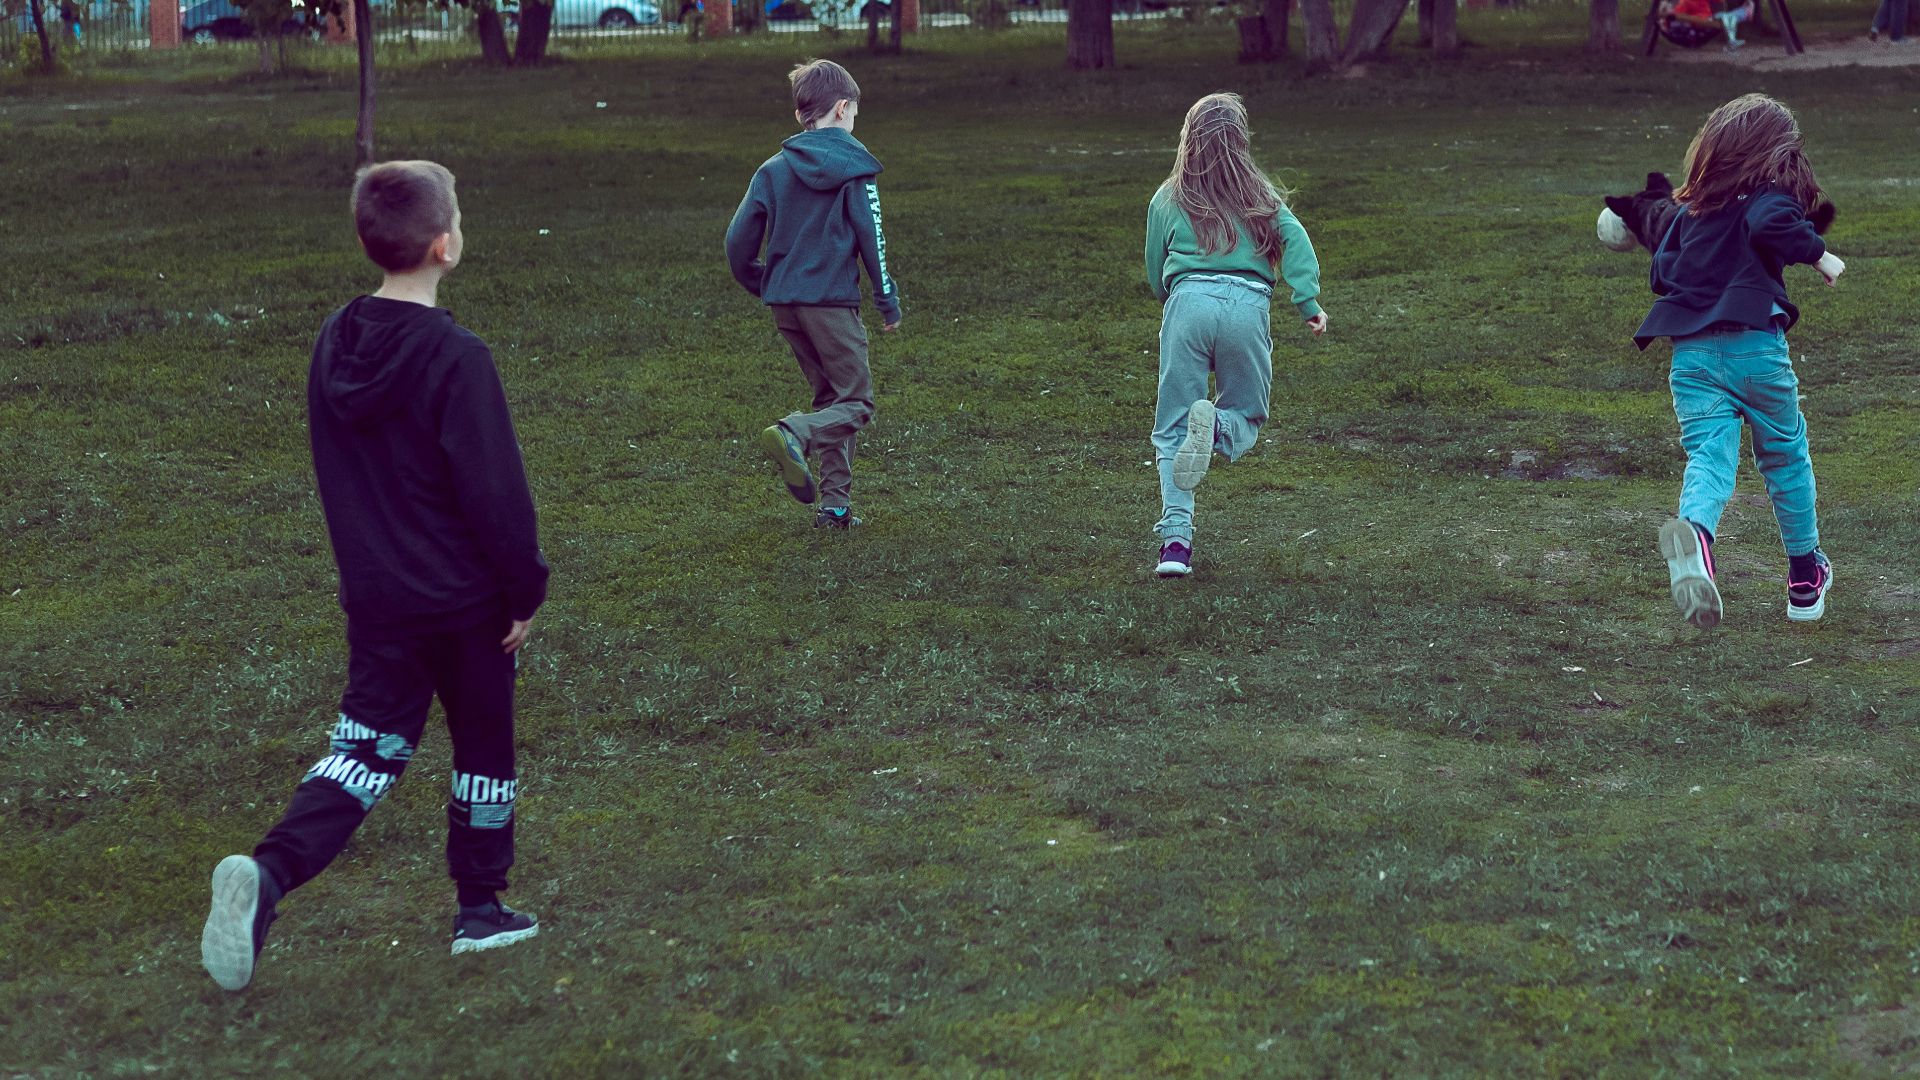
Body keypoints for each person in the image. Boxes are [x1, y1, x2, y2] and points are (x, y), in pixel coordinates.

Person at [200, 160, 551, 992]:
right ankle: (480, 907)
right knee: (483, 749)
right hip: (467, 604)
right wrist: (524, 590)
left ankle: (272, 875)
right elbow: (496, 491)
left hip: (380, 602)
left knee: (363, 754)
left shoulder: (334, 339)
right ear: (445, 244)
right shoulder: (458, 357)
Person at [1633, 95, 1845, 629]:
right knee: (1784, 457)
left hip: (1692, 357)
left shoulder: (1690, 213)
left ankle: (1698, 538)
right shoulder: (1769, 198)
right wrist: (1820, 254)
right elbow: (1773, 222)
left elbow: (1662, 272)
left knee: (1709, 456)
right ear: (1775, 153)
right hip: (1755, 350)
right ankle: (1803, 578)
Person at [1143, 92, 1325, 579]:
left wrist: (1173, 301)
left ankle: (1176, 544)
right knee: (1247, 410)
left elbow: (1153, 266)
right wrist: (1307, 301)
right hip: (1247, 307)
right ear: (1241, 143)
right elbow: (1296, 239)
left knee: (1172, 429)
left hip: (1188, 303)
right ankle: (1220, 428)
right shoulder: (1261, 196)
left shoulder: (1168, 197)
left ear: (1188, 141)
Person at [726, 59, 901, 530]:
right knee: (857, 403)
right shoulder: (855, 167)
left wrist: (761, 282)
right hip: (831, 303)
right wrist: (887, 298)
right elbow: (872, 238)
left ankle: (835, 507)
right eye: (855, 114)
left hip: (786, 305)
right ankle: (792, 433)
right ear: (842, 109)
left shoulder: (772, 170)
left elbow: (737, 242)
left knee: (832, 398)